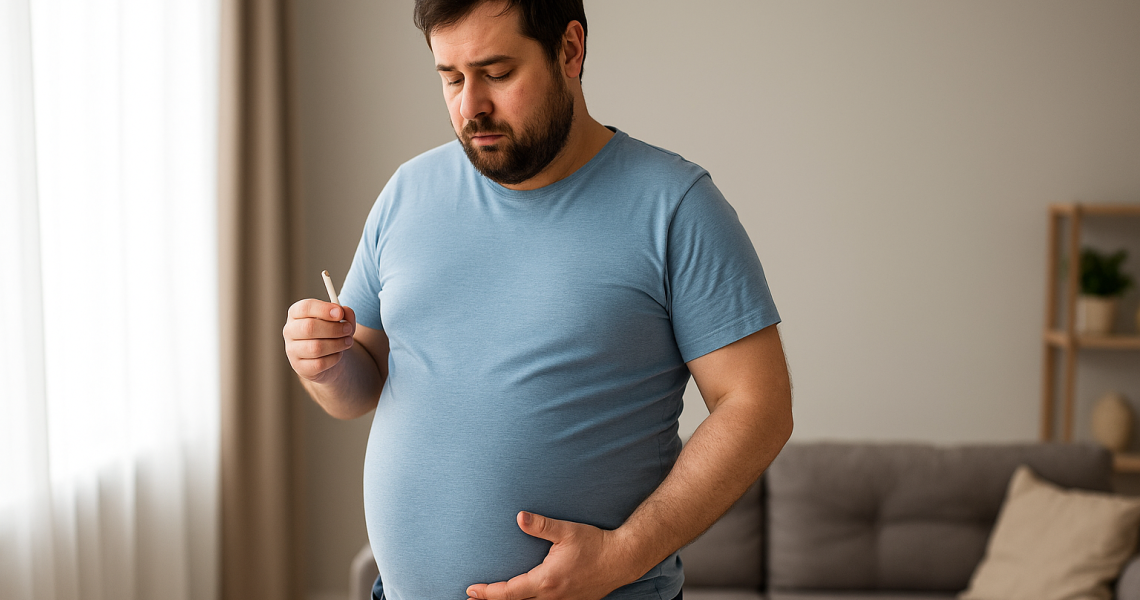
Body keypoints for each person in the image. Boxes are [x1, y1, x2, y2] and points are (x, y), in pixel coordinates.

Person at [282, 1, 793, 599]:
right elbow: (360, 385)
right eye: (451, 78)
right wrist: (321, 362)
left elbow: (758, 407)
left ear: (570, 50)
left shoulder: (675, 207)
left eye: (497, 73)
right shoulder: (406, 193)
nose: (469, 106)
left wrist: (624, 554)